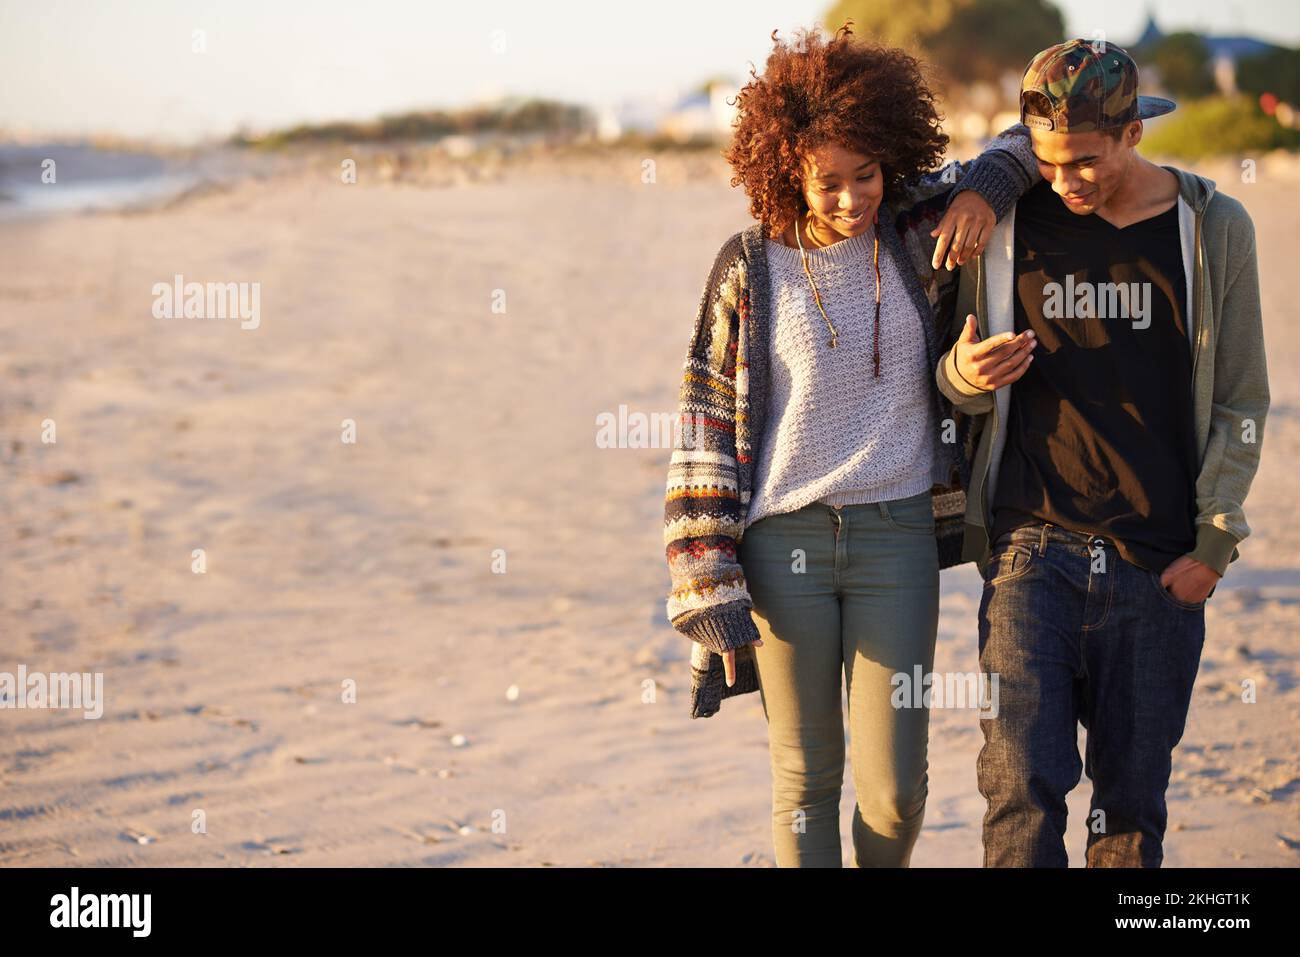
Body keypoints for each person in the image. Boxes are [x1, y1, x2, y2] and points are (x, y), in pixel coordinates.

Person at [663, 23, 1038, 866]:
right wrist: (706, 580)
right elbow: (704, 426)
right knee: (804, 778)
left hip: (896, 537)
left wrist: (982, 189)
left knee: (898, 789)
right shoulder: (747, 268)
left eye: (864, 175)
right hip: (781, 545)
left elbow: (1029, 139)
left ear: (888, 160)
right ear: (785, 171)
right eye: (827, 182)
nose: (850, 198)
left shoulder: (915, 230)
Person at [936, 39, 1270, 867]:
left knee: (1129, 810)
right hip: (1029, 550)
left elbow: (1241, 400)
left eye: (1084, 161)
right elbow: (947, 377)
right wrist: (965, 373)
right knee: (1018, 789)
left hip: (1158, 564)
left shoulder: (1212, 229)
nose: (1065, 181)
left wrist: (1213, 545)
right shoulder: (1010, 220)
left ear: (1133, 136)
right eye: (1046, 163)